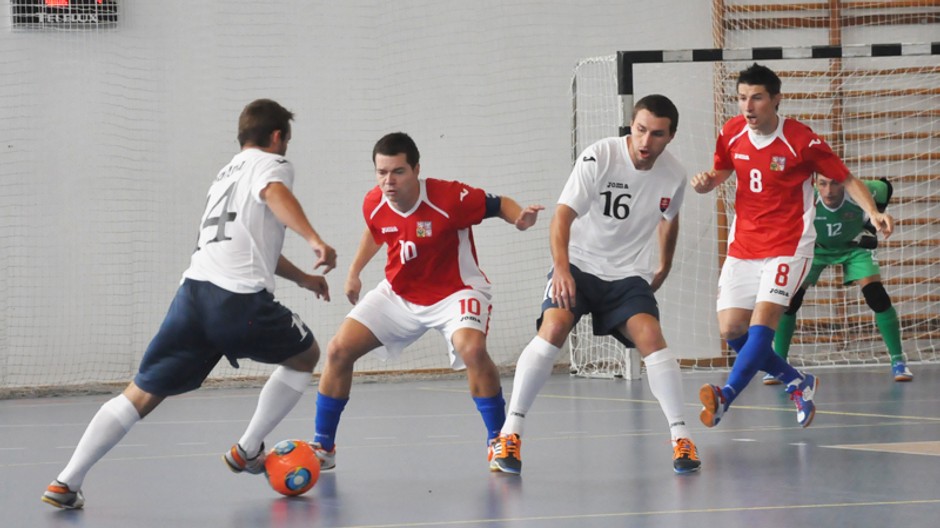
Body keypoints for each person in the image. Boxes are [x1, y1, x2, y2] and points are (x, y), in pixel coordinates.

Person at [41, 99, 337, 510]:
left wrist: (302, 277)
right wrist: (314, 239)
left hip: (192, 296)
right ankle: (248, 448)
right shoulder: (272, 166)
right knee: (306, 355)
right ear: (276, 137)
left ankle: (65, 480)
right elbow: (275, 193)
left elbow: (249, 245)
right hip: (237, 301)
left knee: (140, 394)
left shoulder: (222, 177)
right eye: (286, 139)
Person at [489, 94, 701, 476]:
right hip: (580, 266)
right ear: (631, 127)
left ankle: (681, 438)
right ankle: (510, 432)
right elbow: (562, 216)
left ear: (670, 136)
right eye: (639, 130)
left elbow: (669, 217)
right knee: (553, 327)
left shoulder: (674, 174)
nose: (645, 142)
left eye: (656, 134)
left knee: (652, 338)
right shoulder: (599, 156)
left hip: (627, 275)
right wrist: (561, 268)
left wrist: (664, 265)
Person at [310, 132, 543, 471]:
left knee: (473, 350)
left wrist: (519, 218)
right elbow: (376, 230)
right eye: (381, 172)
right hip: (399, 295)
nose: (389, 181)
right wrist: (354, 271)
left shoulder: (450, 197)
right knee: (337, 350)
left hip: (456, 291)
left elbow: (498, 203)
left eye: (398, 171)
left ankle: (499, 441)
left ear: (417, 169)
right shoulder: (373, 201)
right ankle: (323, 447)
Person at [691, 63, 894, 429]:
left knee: (761, 324)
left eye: (756, 98)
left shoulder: (802, 140)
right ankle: (797, 382)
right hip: (744, 243)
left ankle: (726, 396)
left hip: (789, 244)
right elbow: (724, 168)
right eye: (741, 99)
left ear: (776, 99)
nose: (747, 107)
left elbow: (845, 178)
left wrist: (873, 212)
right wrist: (709, 181)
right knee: (730, 329)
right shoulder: (732, 132)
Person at [764, 175, 911, 384]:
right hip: (816, 250)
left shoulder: (861, 191)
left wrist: (873, 219)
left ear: (844, 183)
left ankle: (898, 361)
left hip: (853, 248)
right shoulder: (806, 197)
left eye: (834, 183)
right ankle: (779, 363)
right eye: (823, 184)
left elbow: (886, 187)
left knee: (876, 296)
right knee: (790, 301)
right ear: (815, 183)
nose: (829, 190)